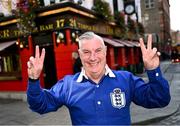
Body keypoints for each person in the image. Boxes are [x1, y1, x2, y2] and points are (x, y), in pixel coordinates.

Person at [27, 32, 170, 125]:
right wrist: (33, 80)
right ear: (80, 55)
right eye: (86, 52)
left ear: (106, 51)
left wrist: (153, 70)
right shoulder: (68, 85)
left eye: (98, 51)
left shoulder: (126, 79)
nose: (93, 57)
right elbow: (40, 105)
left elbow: (160, 99)